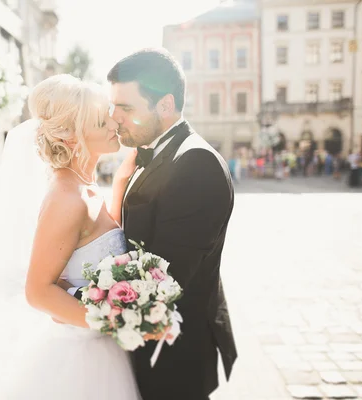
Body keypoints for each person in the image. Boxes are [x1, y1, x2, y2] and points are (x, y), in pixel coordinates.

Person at [0, 75, 141, 399]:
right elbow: (38, 291)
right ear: (72, 136)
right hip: (81, 359)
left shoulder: (85, 187)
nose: (113, 122)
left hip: (101, 348)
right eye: (101, 120)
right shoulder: (66, 200)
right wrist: (112, 322)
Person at [105, 48, 237, 400]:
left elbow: (164, 280)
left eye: (126, 107)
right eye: (113, 105)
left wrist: (84, 301)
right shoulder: (149, 154)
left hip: (173, 357)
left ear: (164, 105)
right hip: (149, 347)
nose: (113, 117)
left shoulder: (195, 163)